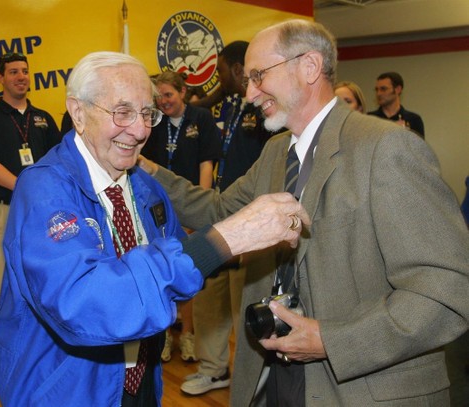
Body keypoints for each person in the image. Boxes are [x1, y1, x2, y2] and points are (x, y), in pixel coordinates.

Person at [141, 19, 469, 406]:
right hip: (275, 377)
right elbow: (219, 208)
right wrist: (145, 169)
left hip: (360, 388)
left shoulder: (387, 149)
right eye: (248, 79)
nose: (249, 93)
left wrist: (330, 340)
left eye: (259, 76)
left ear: (310, 67)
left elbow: (446, 289)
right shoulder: (276, 152)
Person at [0, 51, 309, 407]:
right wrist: (225, 239)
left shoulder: (144, 188)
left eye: (147, 113)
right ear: (78, 113)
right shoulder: (45, 191)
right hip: (67, 390)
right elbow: (85, 304)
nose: (142, 129)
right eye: (123, 112)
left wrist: (246, 242)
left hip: (140, 382)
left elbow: (178, 277)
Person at [179, 40, 277, 397]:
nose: (217, 79)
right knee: (209, 297)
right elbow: (199, 106)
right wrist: (221, 89)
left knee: (241, 304)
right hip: (220, 214)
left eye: (221, 71)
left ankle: (247, 376)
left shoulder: (266, 110)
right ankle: (213, 368)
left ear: (237, 69)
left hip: (248, 220)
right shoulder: (228, 105)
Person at [0, 52, 61, 384]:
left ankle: (37, 354)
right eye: (13, 72)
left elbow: (57, 164)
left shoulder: (43, 118)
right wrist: (24, 185)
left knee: (39, 284)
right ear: (0, 79)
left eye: (24, 71)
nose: (21, 76)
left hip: (39, 215)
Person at [142, 70, 221, 363]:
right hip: (158, 206)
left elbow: (206, 166)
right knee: (159, 269)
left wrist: (197, 213)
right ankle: (163, 336)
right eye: (159, 96)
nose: (163, 102)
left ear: (183, 92)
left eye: (169, 95)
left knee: (188, 269)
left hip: (189, 205)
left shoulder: (201, 119)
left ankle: (187, 334)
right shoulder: (153, 121)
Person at [368, 71, 425, 138]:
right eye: (376, 90)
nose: (378, 94)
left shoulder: (413, 119)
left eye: (383, 89)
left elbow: (418, 147)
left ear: (398, 89)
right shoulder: (369, 119)